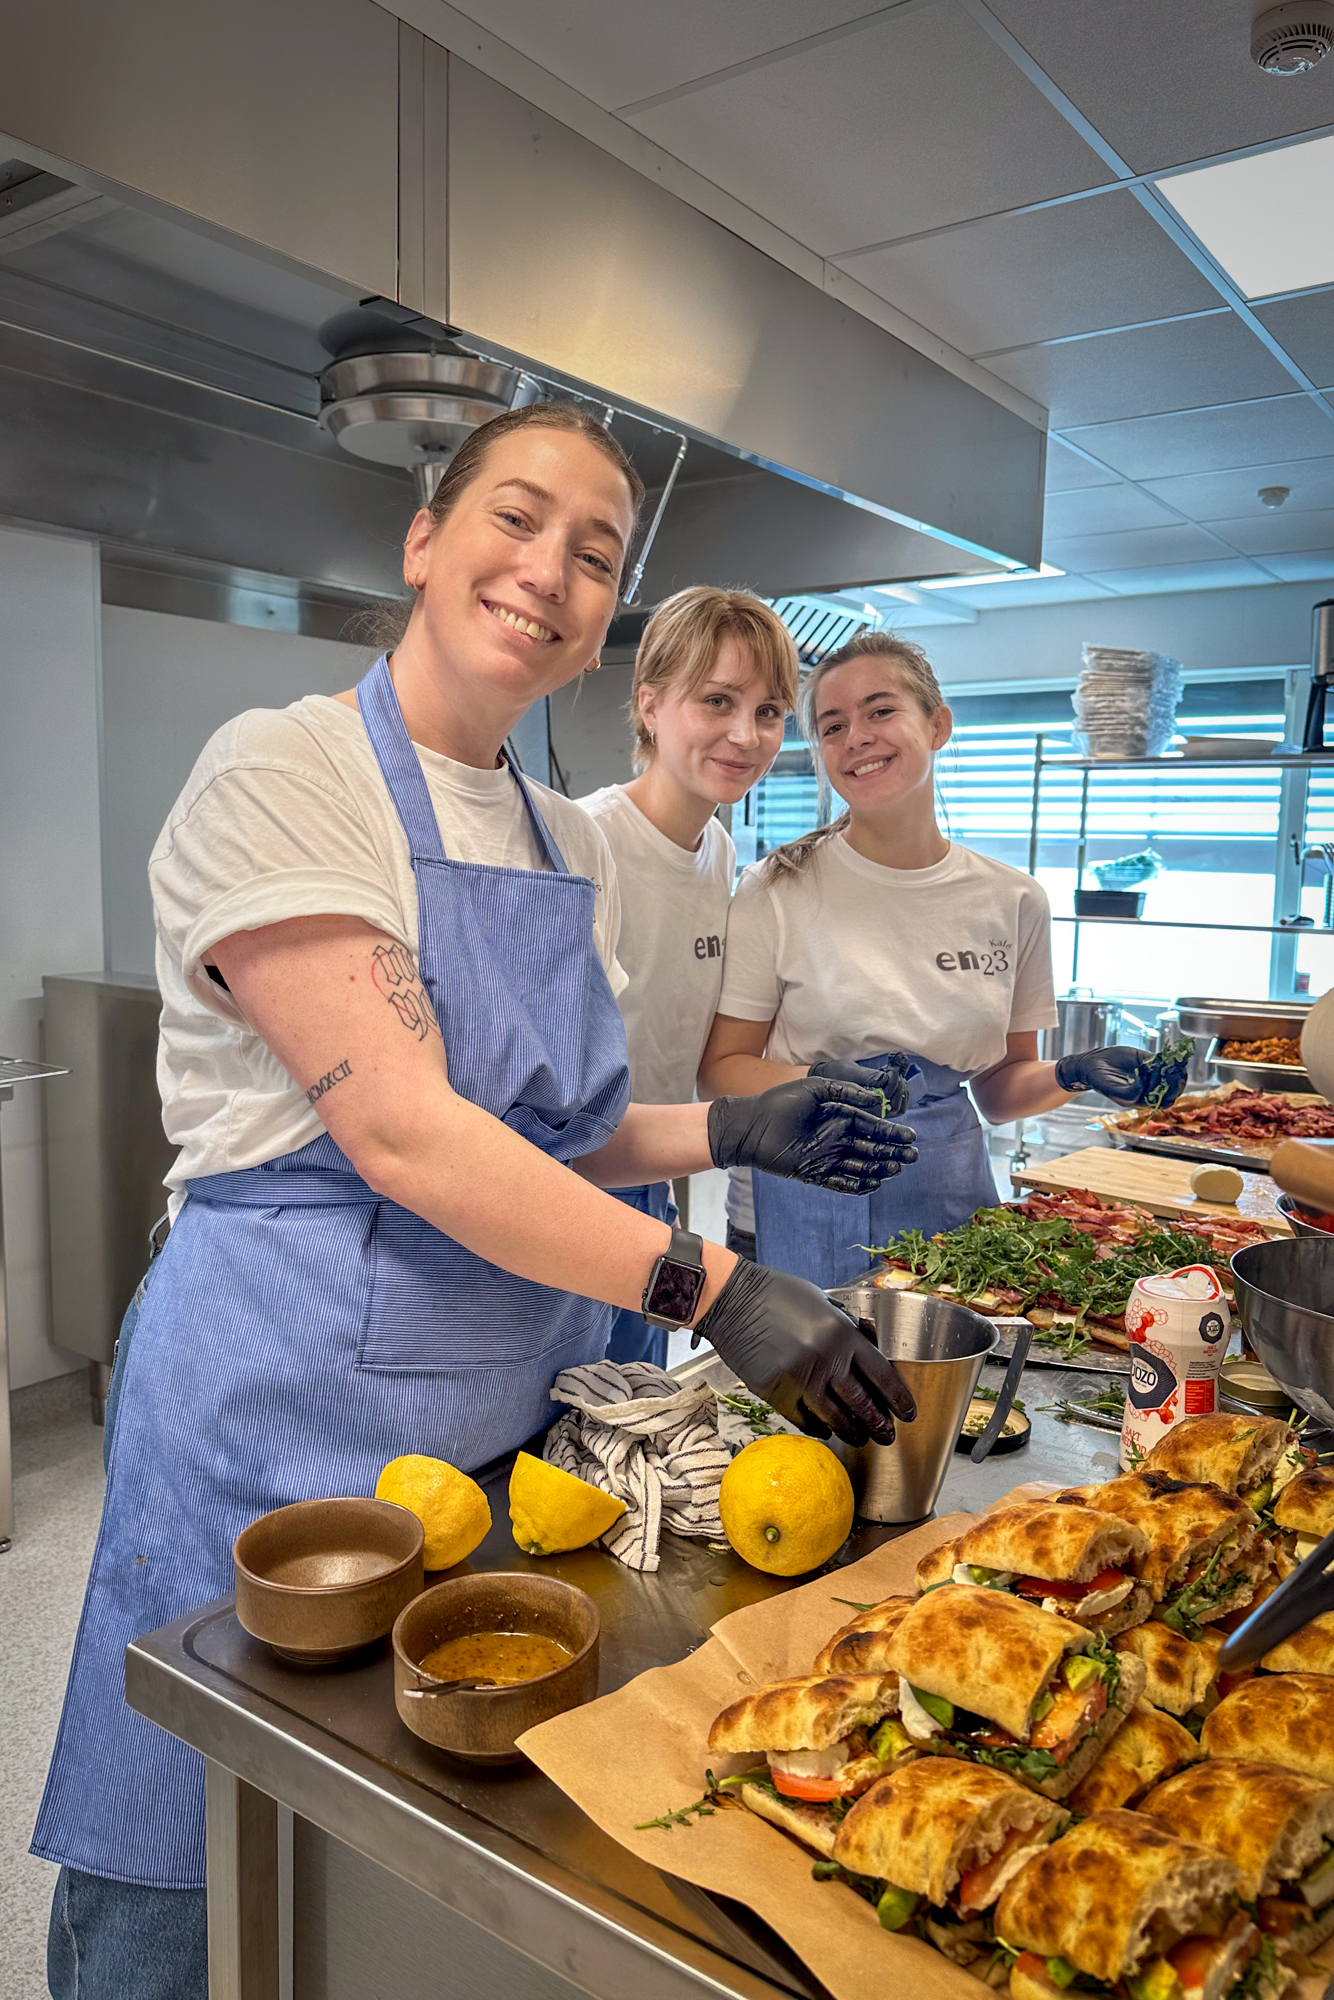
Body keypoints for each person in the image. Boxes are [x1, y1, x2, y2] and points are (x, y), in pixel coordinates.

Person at [32, 405, 920, 2000]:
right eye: (516, 519)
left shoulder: (540, 835)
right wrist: (713, 1289)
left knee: (402, 1854)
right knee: (198, 1830)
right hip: (286, 1402)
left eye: (596, 555)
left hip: (504, 1420)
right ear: (423, 541)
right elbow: (408, 1136)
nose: (552, 571)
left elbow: (545, 1141)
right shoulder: (284, 770)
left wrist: (734, 1121)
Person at [698, 630, 1184, 1289]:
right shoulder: (777, 888)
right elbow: (722, 1070)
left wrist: (1074, 1071)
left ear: (938, 724)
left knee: (960, 1388)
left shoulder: (1013, 899)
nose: (857, 738)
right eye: (832, 726)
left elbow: (1001, 1089)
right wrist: (822, 1076)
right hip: (803, 1194)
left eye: (880, 710)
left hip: (951, 1212)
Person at [577, 587, 799, 1365]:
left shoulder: (719, 851)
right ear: (650, 704)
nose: (746, 735)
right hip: (569, 1187)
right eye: (717, 701)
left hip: (657, 1180)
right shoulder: (586, 843)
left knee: (639, 1395)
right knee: (565, 1420)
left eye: (769, 711)